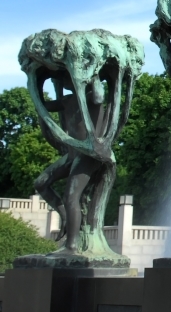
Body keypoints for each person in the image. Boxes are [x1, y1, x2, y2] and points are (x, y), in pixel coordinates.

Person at [34, 74, 107, 253]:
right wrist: (37, 82)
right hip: (72, 154)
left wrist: (94, 75)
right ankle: (65, 215)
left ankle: (72, 245)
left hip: (88, 154)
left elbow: (99, 97)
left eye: (68, 77)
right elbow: (41, 106)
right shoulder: (67, 101)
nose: (65, 80)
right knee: (41, 183)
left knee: (71, 197)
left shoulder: (91, 97)